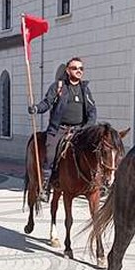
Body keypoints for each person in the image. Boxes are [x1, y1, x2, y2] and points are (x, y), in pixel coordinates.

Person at [28, 57, 97, 201]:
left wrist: (88, 127)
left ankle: (96, 182)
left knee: (94, 151)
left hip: (79, 130)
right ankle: (45, 187)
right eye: (75, 68)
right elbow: (47, 103)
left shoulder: (85, 89)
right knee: (50, 153)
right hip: (59, 128)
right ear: (67, 70)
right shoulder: (58, 86)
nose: (78, 71)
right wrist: (36, 108)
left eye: (81, 69)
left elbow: (92, 110)